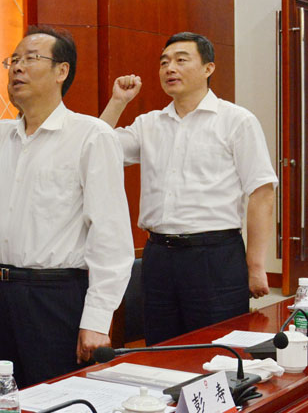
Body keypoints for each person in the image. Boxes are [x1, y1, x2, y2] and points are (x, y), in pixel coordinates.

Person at [0, 26, 134, 388]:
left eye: (30, 58)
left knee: (59, 406)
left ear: (61, 71)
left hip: (56, 297)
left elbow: (110, 235)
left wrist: (97, 318)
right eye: (13, 60)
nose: (17, 67)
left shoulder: (91, 136)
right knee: (6, 405)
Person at [100, 32, 277, 345]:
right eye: (164, 62)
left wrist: (256, 266)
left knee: (218, 352)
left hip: (215, 256)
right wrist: (118, 102)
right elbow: (96, 150)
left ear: (208, 68)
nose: (170, 68)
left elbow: (262, 194)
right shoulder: (149, 123)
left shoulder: (237, 121)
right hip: (159, 256)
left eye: (181, 60)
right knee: (160, 351)